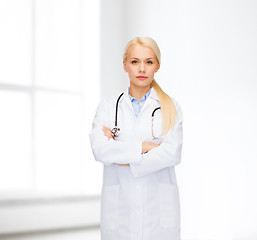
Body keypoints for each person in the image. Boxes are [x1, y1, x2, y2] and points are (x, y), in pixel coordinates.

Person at [89, 36, 184, 240]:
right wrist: (144, 147)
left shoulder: (171, 107)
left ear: (157, 66)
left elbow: (172, 154)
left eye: (148, 62)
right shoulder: (108, 106)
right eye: (135, 62)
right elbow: (99, 149)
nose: (142, 69)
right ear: (125, 65)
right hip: (119, 212)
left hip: (158, 214)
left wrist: (121, 156)